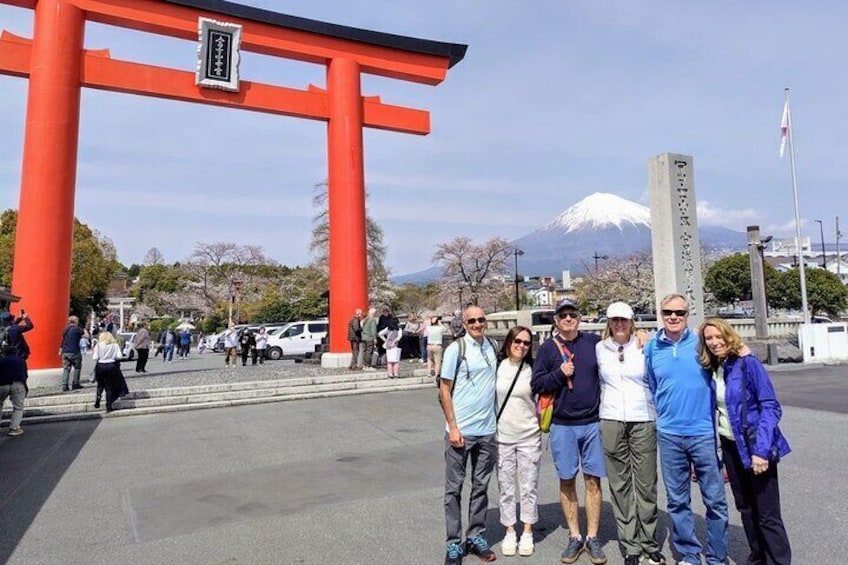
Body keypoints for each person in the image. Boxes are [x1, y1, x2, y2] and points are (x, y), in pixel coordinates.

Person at [645, 294, 729, 565]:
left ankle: (717, 556)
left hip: (703, 432)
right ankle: (690, 554)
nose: (673, 317)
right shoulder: (652, 347)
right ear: (660, 313)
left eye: (679, 313)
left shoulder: (701, 343)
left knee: (715, 500)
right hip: (669, 433)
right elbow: (653, 384)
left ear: (687, 315)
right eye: (668, 312)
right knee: (677, 501)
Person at [699, 318, 792, 565]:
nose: (714, 342)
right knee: (747, 509)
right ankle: (758, 557)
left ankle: (778, 560)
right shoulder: (715, 367)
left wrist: (761, 451)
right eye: (709, 338)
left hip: (756, 445)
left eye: (718, 336)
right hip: (731, 446)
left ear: (728, 336)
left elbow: (770, 407)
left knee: (767, 514)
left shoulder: (747, 364)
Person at [531, 298, 607, 565]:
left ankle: (593, 537)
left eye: (572, 314)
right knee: (566, 480)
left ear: (579, 317)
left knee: (594, 481)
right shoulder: (547, 349)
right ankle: (575, 535)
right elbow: (537, 383)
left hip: (592, 422)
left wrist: (641, 335)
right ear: (555, 320)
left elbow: (621, 344)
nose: (568, 319)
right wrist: (559, 374)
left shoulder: (594, 344)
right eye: (562, 315)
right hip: (562, 424)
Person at [596, 302, 665, 565]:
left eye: (624, 320)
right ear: (609, 322)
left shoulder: (646, 346)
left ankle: (649, 541)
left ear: (632, 321)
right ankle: (630, 545)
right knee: (619, 484)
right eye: (614, 320)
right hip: (611, 417)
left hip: (643, 418)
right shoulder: (600, 348)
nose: (619, 324)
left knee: (646, 483)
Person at [439, 305, 499, 565]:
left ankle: (475, 534)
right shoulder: (456, 350)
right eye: (472, 320)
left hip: (487, 429)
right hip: (461, 430)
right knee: (454, 489)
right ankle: (453, 542)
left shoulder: (492, 347)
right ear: (463, 323)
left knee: (481, 486)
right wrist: (453, 426)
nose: (477, 324)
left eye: (481, 320)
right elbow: (444, 389)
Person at [495, 325, 541, 557]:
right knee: (506, 486)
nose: (521, 346)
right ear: (508, 342)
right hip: (503, 436)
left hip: (529, 435)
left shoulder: (533, 369)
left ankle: (528, 530)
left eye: (526, 343)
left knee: (528, 485)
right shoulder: (497, 366)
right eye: (517, 341)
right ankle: (510, 530)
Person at [92, 331, 126, 412]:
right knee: (109, 387)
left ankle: (98, 397)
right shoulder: (114, 345)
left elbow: (95, 357)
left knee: (100, 385)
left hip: (100, 366)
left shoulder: (98, 345)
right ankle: (108, 405)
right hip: (111, 365)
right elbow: (119, 356)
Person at [0, 345, 28, 436]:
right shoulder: (21, 360)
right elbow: (25, 373)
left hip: (2, 384)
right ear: (16, 352)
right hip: (18, 383)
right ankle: (14, 428)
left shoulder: (2, 360)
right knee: (18, 407)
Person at [59, 315, 88, 392]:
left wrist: (61, 349)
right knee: (77, 368)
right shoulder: (77, 329)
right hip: (75, 351)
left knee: (66, 369)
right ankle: (75, 383)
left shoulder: (65, 329)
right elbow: (87, 336)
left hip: (65, 351)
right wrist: (85, 330)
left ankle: (64, 385)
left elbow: (64, 340)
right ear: (76, 321)